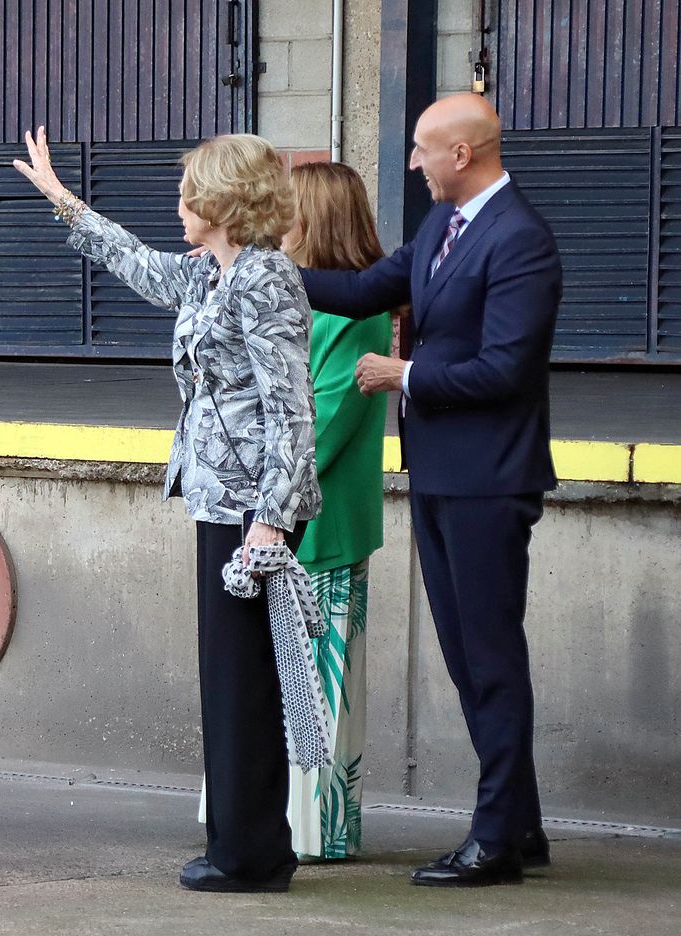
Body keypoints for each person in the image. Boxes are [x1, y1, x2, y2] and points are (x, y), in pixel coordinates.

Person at [15, 128, 322, 893]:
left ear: (220, 202)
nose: (177, 204)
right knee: (228, 678)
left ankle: (251, 857)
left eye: (188, 193)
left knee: (245, 683)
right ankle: (241, 845)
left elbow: (292, 407)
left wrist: (272, 520)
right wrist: (64, 202)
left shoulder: (265, 279)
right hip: (221, 497)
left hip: (255, 506)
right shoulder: (210, 274)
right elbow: (136, 265)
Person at [298, 93, 562, 887]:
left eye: (419, 150)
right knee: (468, 654)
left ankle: (493, 844)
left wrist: (403, 373)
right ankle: (521, 823)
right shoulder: (442, 230)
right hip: (444, 474)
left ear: (461, 155)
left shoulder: (522, 242)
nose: (410, 163)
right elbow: (358, 291)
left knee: (487, 658)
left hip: (489, 480)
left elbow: (506, 370)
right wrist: (263, 264)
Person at [282, 161, 393, 860]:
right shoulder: (317, 303)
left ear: (314, 221)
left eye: (286, 213)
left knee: (316, 692)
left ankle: (317, 832)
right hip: (294, 518)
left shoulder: (355, 313)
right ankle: (290, 825)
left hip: (318, 524)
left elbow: (320, 427)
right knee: (297, 686)